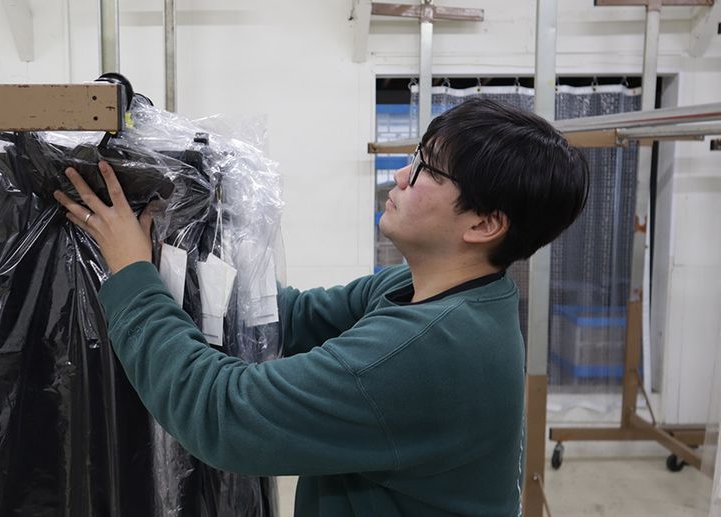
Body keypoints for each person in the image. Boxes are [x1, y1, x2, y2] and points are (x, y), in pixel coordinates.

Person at [54, 97, 589, 517]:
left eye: (427, 171)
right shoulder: (439, 291)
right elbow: (287, 317)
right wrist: (196, 244)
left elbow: (222, 412)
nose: (401, 176)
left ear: (484, 224)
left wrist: (130, 273)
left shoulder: (426, 351)